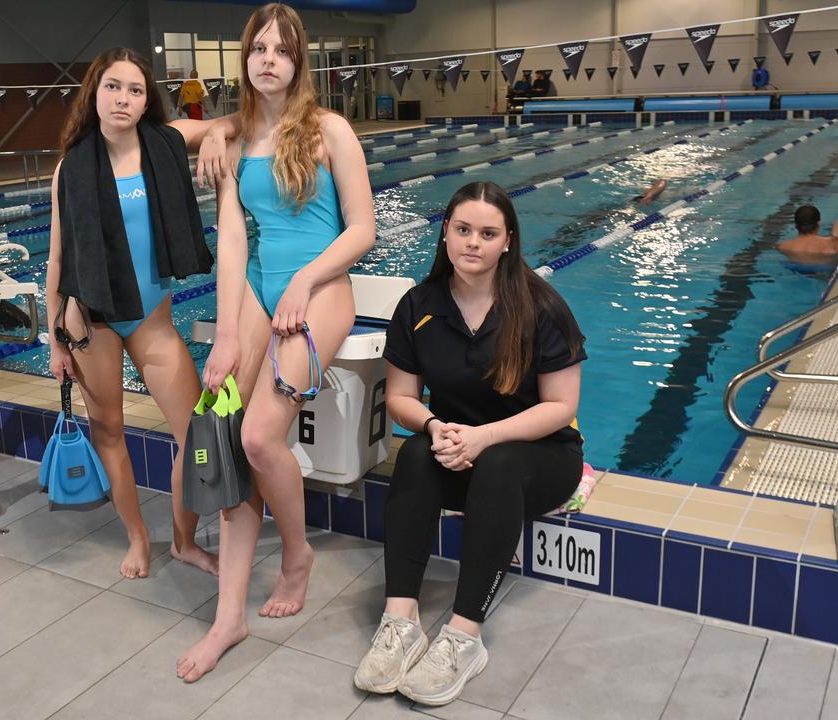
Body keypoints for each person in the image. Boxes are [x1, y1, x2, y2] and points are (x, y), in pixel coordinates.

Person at [175, 1, 375, 683]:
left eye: (281, 50)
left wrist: (307, 282)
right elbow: (232, 239)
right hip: (259, 289)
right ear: (244, 58)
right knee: (231, 436)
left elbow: (362, 230)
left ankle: (297, 555)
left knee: (261, 437)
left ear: (299, 61)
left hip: (320, 288)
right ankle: (228, 616)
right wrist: (227, 332)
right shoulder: (233, 139)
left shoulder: (330, 130)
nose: (268, 59)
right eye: (258, 48)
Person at [354, 181, 585, 707]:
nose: (472, 243)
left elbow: (560, 407)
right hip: (458, 449)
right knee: (413, 453)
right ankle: (401, 620)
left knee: (500, 463)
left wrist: (484, 437)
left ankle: (464, 635)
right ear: (445, 234)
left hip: (540, 459)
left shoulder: (540, 305)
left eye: (487, 233)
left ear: (508, 240)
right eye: (463, 230)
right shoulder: (420, 304)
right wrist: (436, 427)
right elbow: (401, 397)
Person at [47, 47, 231, 579]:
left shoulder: (165, 141)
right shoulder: (71, 167)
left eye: (134, 89)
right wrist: (53, 339)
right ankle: (136, 536)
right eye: (112, 87)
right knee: (109, 431)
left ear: (146, 99)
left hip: (151, 320)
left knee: (196, 430)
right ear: (94, 93)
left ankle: (183, 540)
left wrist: (214, 134)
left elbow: (234, 121)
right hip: (90, 321)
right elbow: (58, 256)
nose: (123, 98)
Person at [778, 204, 838, 268]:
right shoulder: (833, 244)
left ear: (796, 226)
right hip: (825, 275)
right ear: (818, 224)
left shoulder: (783, 247)